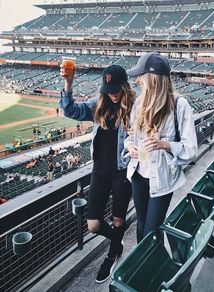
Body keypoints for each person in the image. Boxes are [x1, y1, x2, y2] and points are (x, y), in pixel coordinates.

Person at [60, 64, 135, 283]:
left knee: (118, 220)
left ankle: (111, 255)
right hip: (100, 172)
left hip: (122, 172)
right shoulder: (98, 104)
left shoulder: (134, 107)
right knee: (93, 224)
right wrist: (68, 83)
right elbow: (70, 110)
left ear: (124, 86)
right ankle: (116, 242)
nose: (111, 93)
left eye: (115, 88)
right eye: (108, 88)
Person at [124, 52, 198, 243]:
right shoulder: (139, 103)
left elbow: (191, 149)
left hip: (163, 179)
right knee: (141, 225)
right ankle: (140, 267)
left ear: (152, 78)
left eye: (141, 75)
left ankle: (150, 269)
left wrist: (164, 145)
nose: (138, 80)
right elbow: (130, 137)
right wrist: (130, 146)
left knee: (152, 231)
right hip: (138, 174)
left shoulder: (179, 105)